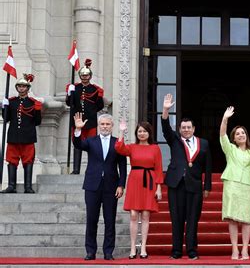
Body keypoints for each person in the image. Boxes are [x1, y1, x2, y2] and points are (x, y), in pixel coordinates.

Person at [161, 93, 212, 260]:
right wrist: (165, 111)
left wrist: (207, 187)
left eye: (188, 127)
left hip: (194, 185)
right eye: (183, 127)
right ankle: (176, 251)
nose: (186, 130)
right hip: (176, 184)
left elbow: (208, 166)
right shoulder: (175, 139)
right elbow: (165, 129)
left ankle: (191, 250)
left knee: (192, 220)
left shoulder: (203, 143)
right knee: (176, 219)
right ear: (180, 129)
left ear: (193, 128)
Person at [73, 112, 127, 261]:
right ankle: (90, 251)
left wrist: (121, 185)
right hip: (92, 186)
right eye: (102, 124)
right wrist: (78, 130)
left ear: (112, 126)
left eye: (107, 124)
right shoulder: (90, 141)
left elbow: (122, 167)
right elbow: (78, 144)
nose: (104, 126)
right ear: (99, 125)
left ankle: (108, 252)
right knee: (92, 219)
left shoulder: (118, 142)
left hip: (111, 186)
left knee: (110, 221)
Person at [220, 106, 250, 260]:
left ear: (247, 135)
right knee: (232, 218)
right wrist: (225, 119)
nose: (241, 135)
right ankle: (234, 249)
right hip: (232, 185)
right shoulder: (230, 149)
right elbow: (222, 135)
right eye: (238, 134)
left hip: (248, 187)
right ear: (234, 138)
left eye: (243, 133)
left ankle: (245, 249)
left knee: (247, 219)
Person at [115, 120, 164, 259]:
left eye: (144, 131)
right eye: (139, 131)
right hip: (135, 181)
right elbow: (118, 147)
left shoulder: (155, 148)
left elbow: (159, 168)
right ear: (137, 134)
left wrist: (159, 188)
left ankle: (143, 248)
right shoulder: (132, 147)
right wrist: (121, 131)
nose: (142, 133)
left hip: (149, 181)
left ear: (149, 133)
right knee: (133, 215)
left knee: (146, 215)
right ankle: (132, 248)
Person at [1, 74, 42, 194]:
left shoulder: (33, 103)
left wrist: (38, 111)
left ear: (28, 88)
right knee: (11, 161)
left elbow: (37, 122)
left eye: (24, 86)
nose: (21, 88)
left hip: (28, 137)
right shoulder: (12, 102)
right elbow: (6, 118)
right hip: (13, 136)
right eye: (19, 86)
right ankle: (11, 186)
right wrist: (4, 107)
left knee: (28, 161)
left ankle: (27, 187)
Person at [66, 58, 104, 174]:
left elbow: (99, 105)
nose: (84, 77)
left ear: (90, 76)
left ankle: (91, 169)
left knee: (91, 145)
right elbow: (69, 104)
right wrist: (69, 94)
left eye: (86, 75)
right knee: (77, 143)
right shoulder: (74, 88)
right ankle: (76, 169)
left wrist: (91, 112)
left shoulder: (95, 89)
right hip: (76, 120)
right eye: (82, 75)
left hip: (90, 121)